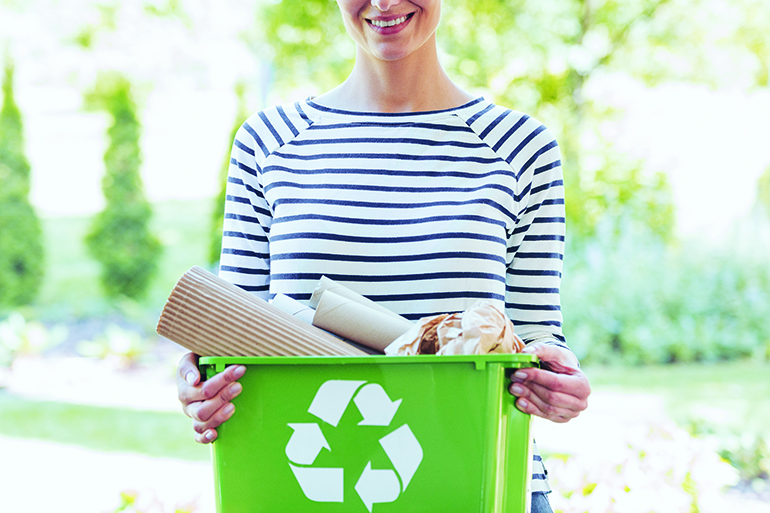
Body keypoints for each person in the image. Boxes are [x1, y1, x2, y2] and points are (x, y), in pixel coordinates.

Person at [176, 0, 591, 511]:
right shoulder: (270, 142)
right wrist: (199, 380)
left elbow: (535, 329)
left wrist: (557, 377)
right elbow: (231, 327)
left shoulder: (521, 148)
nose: (384, 2)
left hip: (477, 477)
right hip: (301, 486)